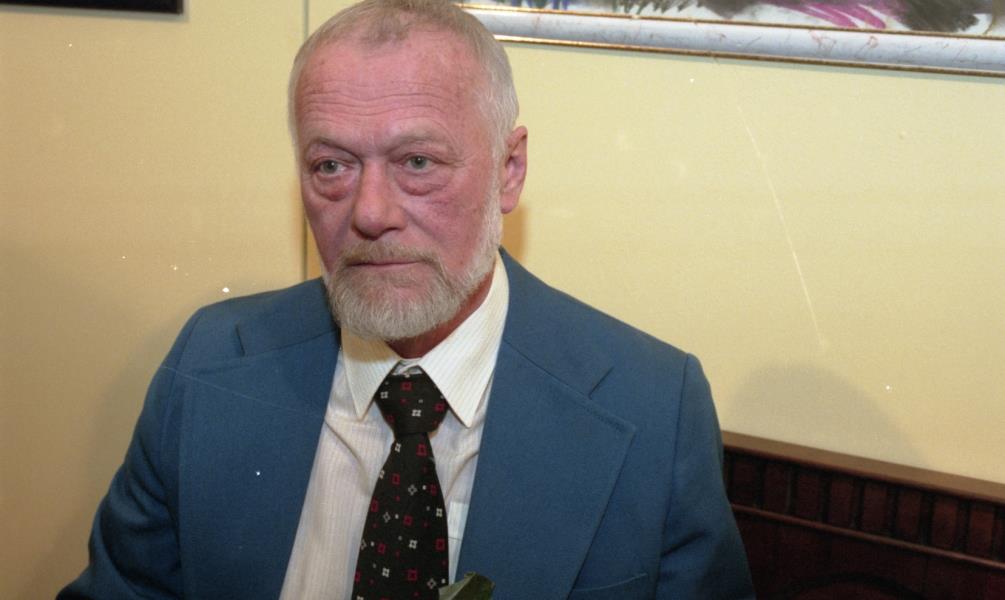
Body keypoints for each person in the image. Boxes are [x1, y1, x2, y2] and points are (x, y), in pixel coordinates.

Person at [60, 0, 753, 598]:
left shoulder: (652, 407)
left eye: (417, 162)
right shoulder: (208, 365)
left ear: (508, 171)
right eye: (331, 165)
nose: (370, 213)